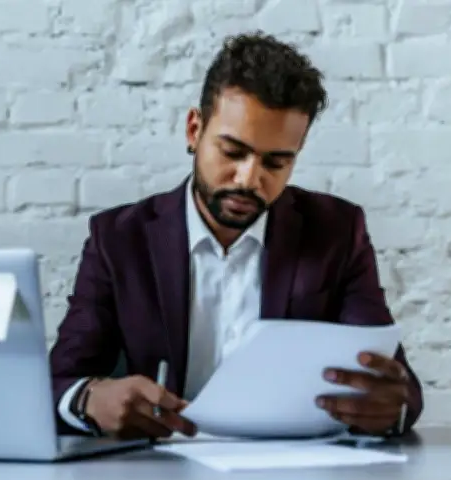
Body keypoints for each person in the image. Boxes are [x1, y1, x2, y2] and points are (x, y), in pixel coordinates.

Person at [49, 31, 424, 440]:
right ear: (194, 130)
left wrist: (389, 407)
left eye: (276, 162)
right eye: (232, 152)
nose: (249, 179)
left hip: (291, 477)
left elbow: (396, 387)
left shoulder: (336, 232)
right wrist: (89, 398)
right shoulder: (119, 240)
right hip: (158, 479)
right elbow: (59, 381)